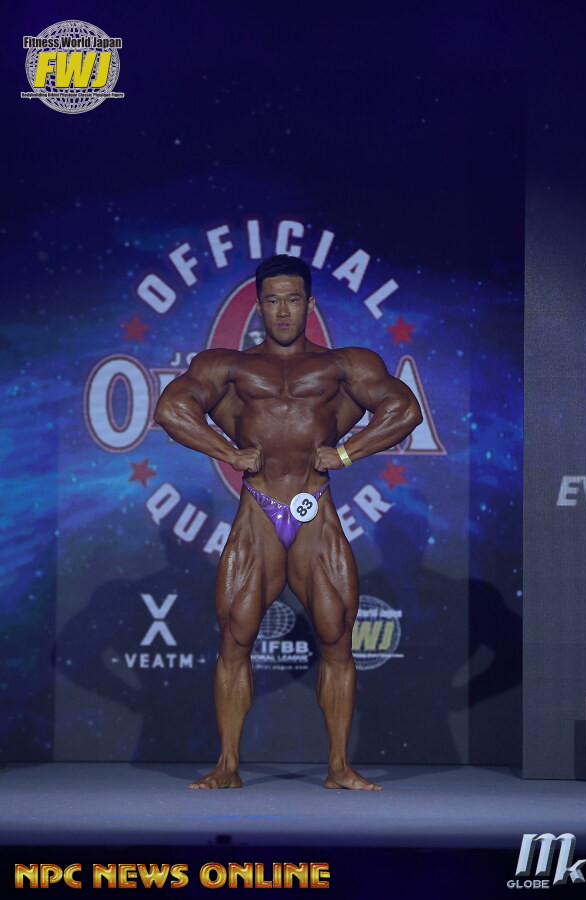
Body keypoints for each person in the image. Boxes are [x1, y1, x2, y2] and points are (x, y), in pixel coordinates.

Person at [154, 254, 422, 790]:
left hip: (314, 507)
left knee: (336, 634)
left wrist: (345, 453)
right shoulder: (228, 366)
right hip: (258, 508)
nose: (283, 310)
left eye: (293, 299)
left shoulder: (343, 365)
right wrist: (228, 452)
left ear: (310, 305)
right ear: (258, 306)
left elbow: (405, 409)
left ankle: (339, 767)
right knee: (236, 635)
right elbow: (170, 409)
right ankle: (228, 766)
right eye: (273, 300)